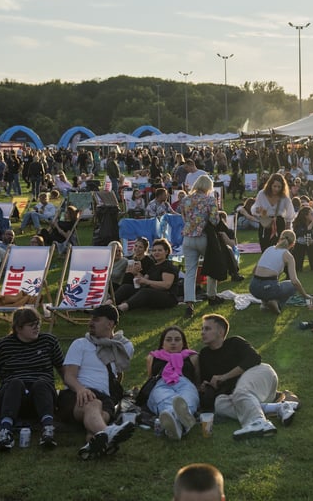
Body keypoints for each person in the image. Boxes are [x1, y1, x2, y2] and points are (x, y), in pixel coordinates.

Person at [197, 314, 298, 439]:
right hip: (246, 397)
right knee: (220, 404)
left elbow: (254, 358)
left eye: (207, 329)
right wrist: (206, 386)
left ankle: (259, 421)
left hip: (261, 375)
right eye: (202, 329)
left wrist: (224, 377)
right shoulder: (204, 355)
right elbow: (208, 381)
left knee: (241, 390)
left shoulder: (235, 342)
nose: (202, 332)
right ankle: (280, 407)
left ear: (221, 332)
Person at [0, 307, 65, 451]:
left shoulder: (49, 342)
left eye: (38, 323)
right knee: (15, 383)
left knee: (42, 384)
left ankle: (48, 429)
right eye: (32, 325)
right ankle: (5, 432)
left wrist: (73, 391)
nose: (37, 328)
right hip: (12, 397)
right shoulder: (3, 346)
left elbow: (63, 371)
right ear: (18, 328)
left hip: (40, 397)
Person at [59, 305, 135, 459]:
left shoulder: (122, 346)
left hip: (105, 397)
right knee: (94, 405)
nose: (90, 323)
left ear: (110, 324)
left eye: (96, 319)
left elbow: (116, 373)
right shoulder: (80, 344)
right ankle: (110, 433)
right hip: (76, 393)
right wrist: (80, 389)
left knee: (97, 419)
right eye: (91, 319)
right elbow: (69, 375)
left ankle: (90, 447)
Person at [141, 326, 200, 440]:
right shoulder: (153, 357)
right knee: (163, 398)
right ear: (162, 343)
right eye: (169, 340)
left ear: (183, 343)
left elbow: (197, 379)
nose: (173, 343)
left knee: (188, 397)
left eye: (177, 340)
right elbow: (150, 378)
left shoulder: (192, 356)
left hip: (185, 382)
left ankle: (173, 423)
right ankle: (182, 423)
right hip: (161, 384)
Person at [179, 175, 223, 318]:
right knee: (211, 264)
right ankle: (211, 295)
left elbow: (185, 218)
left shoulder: (185, 199)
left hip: (188, 237)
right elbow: (215, 220)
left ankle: (189, 304)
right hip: (203, 236)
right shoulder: (210, 199)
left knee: (190, 272)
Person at [249, 230, 311, 315]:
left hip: (253, 287)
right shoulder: (288, 256)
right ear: (293, 244)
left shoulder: (269, 248)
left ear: (280, 239)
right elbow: (294, 281)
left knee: (269, 282)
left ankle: (264, 304)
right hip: (269, 288)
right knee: (292, 286)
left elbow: (254, 271)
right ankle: (276, 303)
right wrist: (305, 296)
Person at [113, 238, 179, 313]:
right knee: (126, 287)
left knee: (145, 292)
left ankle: (121, 309)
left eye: (160, 250)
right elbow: (144, 280)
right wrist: (135, 273)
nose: (156, 253)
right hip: (152, 293)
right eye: (154, 250)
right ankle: (109, 303)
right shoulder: (154, 266)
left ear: (166, 252)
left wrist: (147, 281)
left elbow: (166, 285)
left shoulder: (167, 265)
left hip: (167, 297)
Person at [253, 173, 295, 252]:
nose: (276, 189)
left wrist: (288, 229)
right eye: (274, 186)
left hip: (279, 223)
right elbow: (254, 208)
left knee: (279, 249)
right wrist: (258, 210)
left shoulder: (284, 197)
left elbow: (290, 213)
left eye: (279, 187)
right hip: (265, 223)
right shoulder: (262, 194)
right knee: (265, 248)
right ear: (270, 185)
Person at [292, 205, 313, 272]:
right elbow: (301, 233)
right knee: (297, 247)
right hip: (300, 243)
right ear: (306, 216)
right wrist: (311, 225)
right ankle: (297, 267)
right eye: (311, 214)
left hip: (310, 243)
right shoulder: (298, 223)